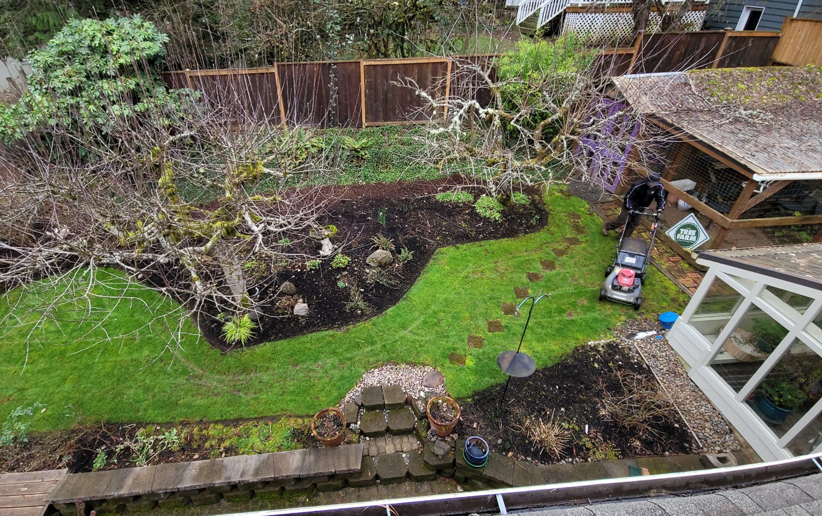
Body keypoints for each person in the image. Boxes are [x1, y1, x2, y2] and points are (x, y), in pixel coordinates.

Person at [602, 172, 666, 238]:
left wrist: (659, 210)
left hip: (642, 207)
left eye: (653, 184)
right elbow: (628, 197)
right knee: (622, 220)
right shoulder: (638, 185)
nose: (651, 185)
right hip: (630, 204)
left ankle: (624, 237)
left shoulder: (659, 187)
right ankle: (606, 227)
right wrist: (630, 207)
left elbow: (661, 199)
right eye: (650, 183)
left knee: (635, 223)